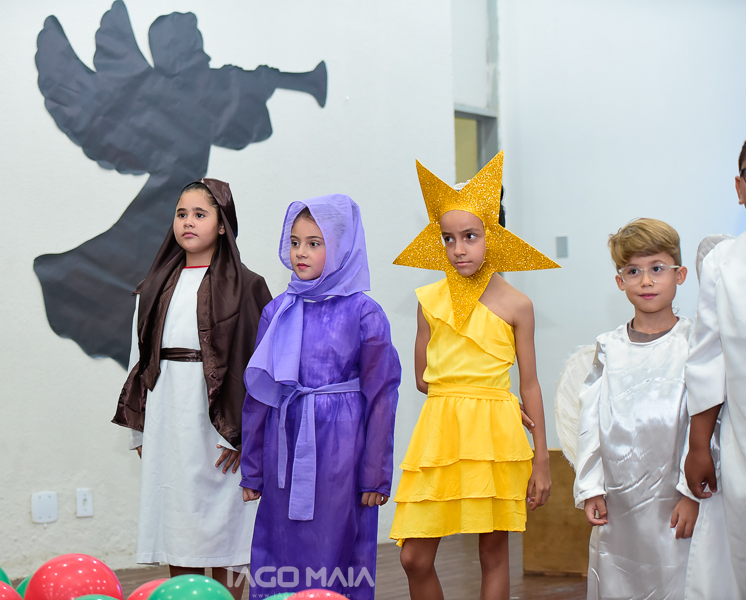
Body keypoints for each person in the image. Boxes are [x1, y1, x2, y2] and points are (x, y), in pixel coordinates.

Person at [389, 152, 556, 600]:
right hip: (440, 432)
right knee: (413, 557)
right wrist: (474, 391)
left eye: (470, 237)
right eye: (448, 238)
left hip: (495, 436)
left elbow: (530, 383)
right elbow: (424, 378)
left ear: (495, 237)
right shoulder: (429, 300)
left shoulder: (518, 305)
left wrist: (541, 458)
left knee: (493, 553)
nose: (458, 249)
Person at [112, 179, 272, 600]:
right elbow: (140, 359)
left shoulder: (249, 286)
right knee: (178, 519)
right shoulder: (153, 287)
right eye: (181, 214)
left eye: (200, 214)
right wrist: (140, 429)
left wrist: (244, 434)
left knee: (227, 524)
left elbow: (260, 364)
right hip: (168, 415)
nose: (188, 222)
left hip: (222, 423)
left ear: (222, 224)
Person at [240, 195, 401, 600]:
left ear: (342, 247)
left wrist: (376, 473)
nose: (301, 253)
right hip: (284, 445)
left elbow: (382, 396)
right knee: (278, 543)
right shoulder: (277, 311)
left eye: (314, 243)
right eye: (295, 242)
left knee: (335, 546)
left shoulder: (364, 312)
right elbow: (259, 396)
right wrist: (253, 468)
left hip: (342, 449)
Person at [573, 218, 698, 599]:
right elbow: (590, 421)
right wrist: (591, 487)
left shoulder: (694, 343)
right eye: (633, 271)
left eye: (657, 269)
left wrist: (691, 493)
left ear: (680, 275)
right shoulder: (609, 347)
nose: (646, 281)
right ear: (619, 281)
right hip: (619, 502)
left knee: (679, 579)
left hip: (675, 498)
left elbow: (706, 421)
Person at [684, 133, 746, 598]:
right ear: (740, 187)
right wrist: (698, 447)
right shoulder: (724, 264)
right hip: (745, 445)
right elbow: (708, 361)